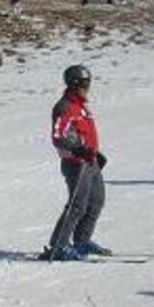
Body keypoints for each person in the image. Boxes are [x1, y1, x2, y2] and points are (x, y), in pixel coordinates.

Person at [39, 65, 110, 261]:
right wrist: (78, 150)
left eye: (89, 83)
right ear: (74, 83)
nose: (88, 87)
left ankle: (81, 241)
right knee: (77, 206)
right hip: (75, 163)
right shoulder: (65, 106)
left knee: (96, 202)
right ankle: (59, 245)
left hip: (89, 161)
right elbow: (58, 136)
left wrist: (96, 153)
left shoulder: (81, 106)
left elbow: (83, 134)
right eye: (85, 83)